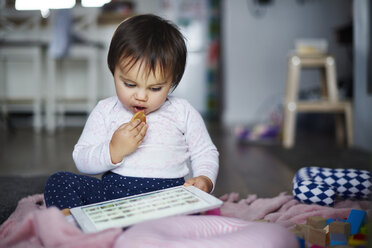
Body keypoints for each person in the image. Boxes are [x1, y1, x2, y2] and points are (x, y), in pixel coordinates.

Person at [44, 14, 219, 210]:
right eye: (129, 84)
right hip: (113, 196)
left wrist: (205, 179)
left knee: (195, 205)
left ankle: (151, 231)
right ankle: (74, 231)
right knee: (59, 181)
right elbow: (81, 159)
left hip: (169, 198)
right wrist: (113, 150)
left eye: (155, 88)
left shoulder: (182, 111)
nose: (141, 96)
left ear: (172, 82)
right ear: (113, 69)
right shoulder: (105, 110)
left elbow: (205, 151)